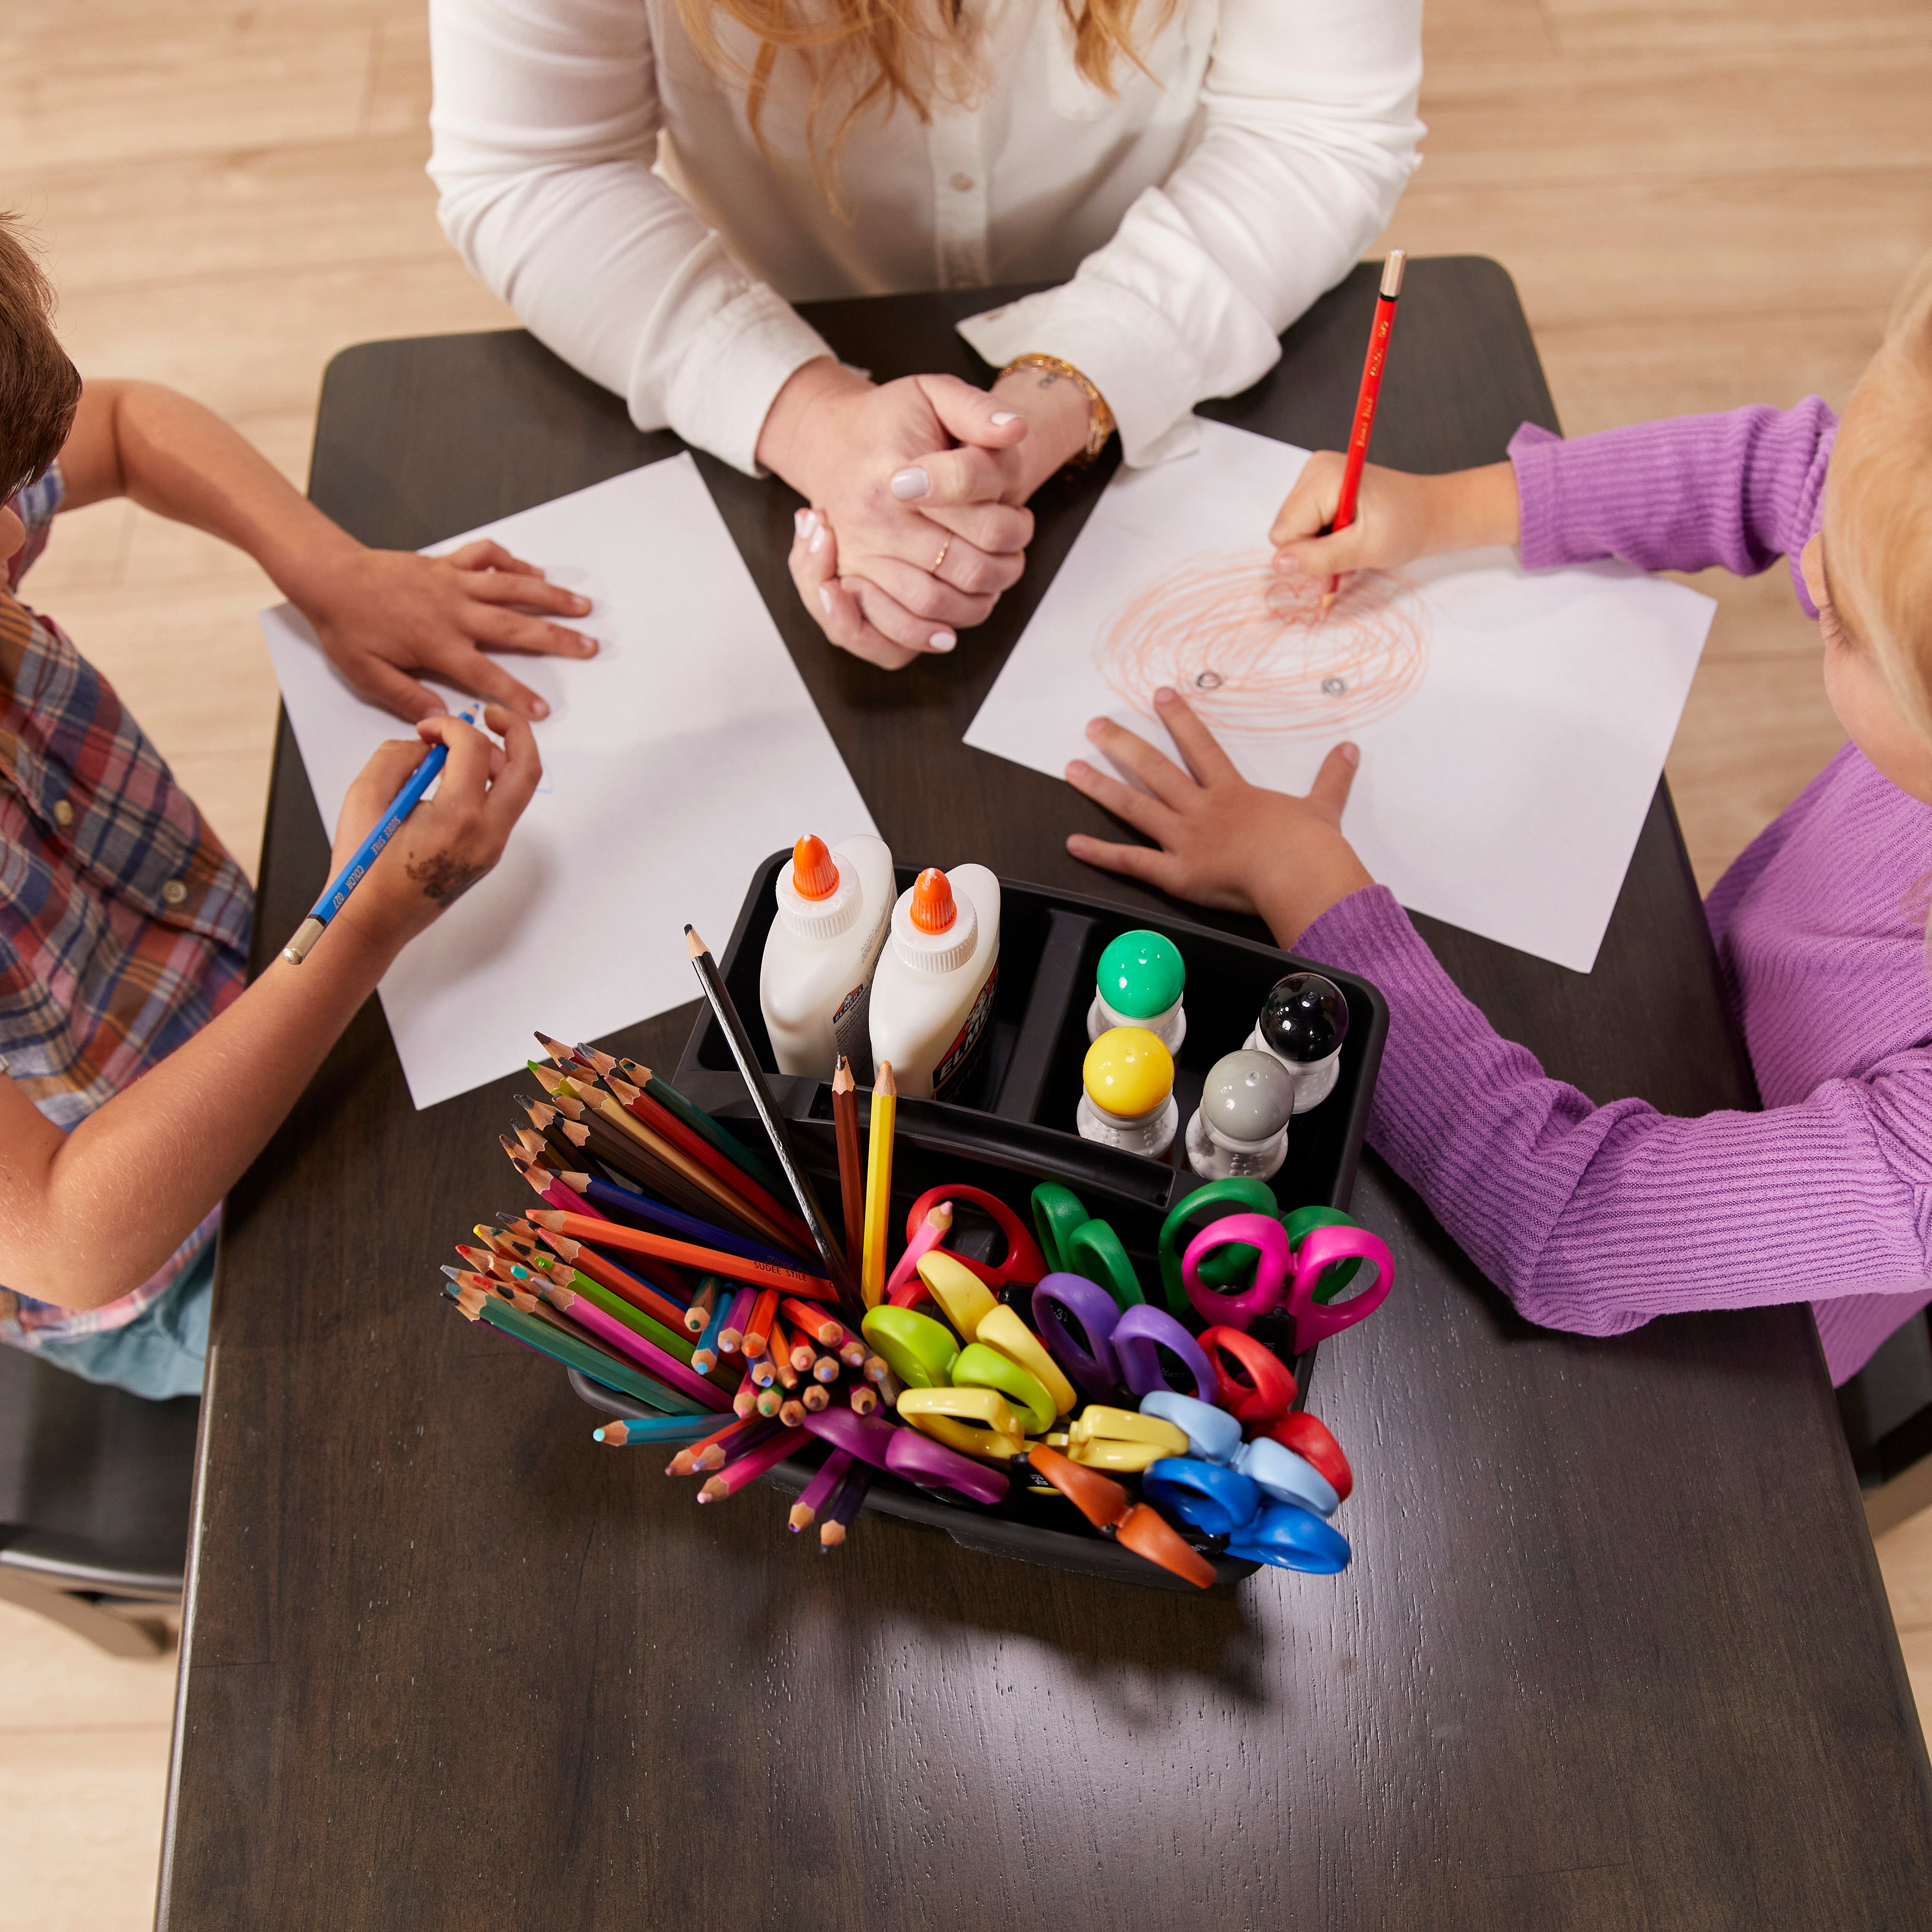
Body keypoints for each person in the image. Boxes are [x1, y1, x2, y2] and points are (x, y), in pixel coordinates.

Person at [1060, 252, 1932, 1385]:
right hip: (1697, 1010)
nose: (1810, 562)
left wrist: (1305, 883)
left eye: (1843, 620)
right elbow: (1789, 470)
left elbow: (1565, 1221)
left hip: (1727, 1349)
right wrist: (1447, 509)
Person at [0, 215, 580, 1398]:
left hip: (257, 971)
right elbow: (70, 1236)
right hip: (177, 1252)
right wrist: (362, 922)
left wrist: (328, 568)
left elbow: (125, 424)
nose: (17, 533)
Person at [428, 0, 1423, 668]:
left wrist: (1040, 412)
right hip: (778, 333)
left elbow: (1316, 127)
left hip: (1152, 315)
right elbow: (537, 172)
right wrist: (812, 420)